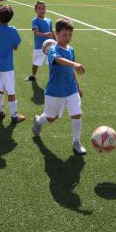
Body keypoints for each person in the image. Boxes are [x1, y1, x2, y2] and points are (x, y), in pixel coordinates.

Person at [32, 18, 87, 154]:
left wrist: (78, 87)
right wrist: (74, 64)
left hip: (71, 88)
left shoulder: (71, 49)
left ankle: (76, 141)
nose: (67, 38)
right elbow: (59, 60)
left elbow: (70, 71)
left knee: (77, 114)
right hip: (55, 91)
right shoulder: (53, 50)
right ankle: (39, 121)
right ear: (57, 34)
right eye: (64, 35)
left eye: (70, 35)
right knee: (51, 118)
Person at [25, 1, 55, 81]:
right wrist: (46, 35)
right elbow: (36, 32)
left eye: (43, 8)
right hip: (39, 46)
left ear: (45, 9)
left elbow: (51, 31)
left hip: (50, 46)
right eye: (39, 8)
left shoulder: (49, 20)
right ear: (35, 10)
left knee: (52, 62)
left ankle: (54, 77)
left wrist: (56, 41)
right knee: (36, 62)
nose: (41, 10)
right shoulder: (35, 20)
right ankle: (33, 75)